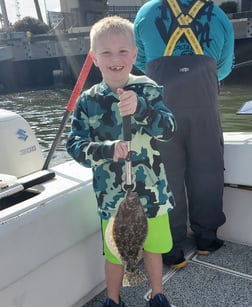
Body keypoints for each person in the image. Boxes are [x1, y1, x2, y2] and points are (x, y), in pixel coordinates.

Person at [66, 16, 177, 307]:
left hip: (152, 194)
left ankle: (157, 294)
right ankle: (113, 300)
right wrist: (106, 149)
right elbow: (74, 146)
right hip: (112, 198)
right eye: (106, 52)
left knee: (154, 248)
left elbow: (169, 130)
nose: (116, 59)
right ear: (94, 58)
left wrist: (142, 109)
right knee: (115, 252)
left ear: (135, 54)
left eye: (123, 51)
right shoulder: (87, 101)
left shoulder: (149, 90)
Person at [134, 0, 234, 268]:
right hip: (204, 108)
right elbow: (224, 67)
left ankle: (170, 247)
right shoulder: (219, 15)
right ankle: (206, 239)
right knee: (208, 172)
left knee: (167, 176)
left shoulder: (146, 13)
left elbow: (141, 61)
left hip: (161, 109)